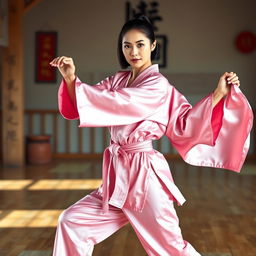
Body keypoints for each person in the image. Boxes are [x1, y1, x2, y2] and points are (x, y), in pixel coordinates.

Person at [50, 16, 253, 256]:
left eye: (140, 44)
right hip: (116, 179)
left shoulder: (157, 85)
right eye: (127, 45)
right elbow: (90, 97)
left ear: (153, 45)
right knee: (72, 222)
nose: (133, 51)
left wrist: (218, 95)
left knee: (170, 249)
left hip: (145, 179)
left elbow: (183, 124)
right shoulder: (118, 80)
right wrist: (71, 79)